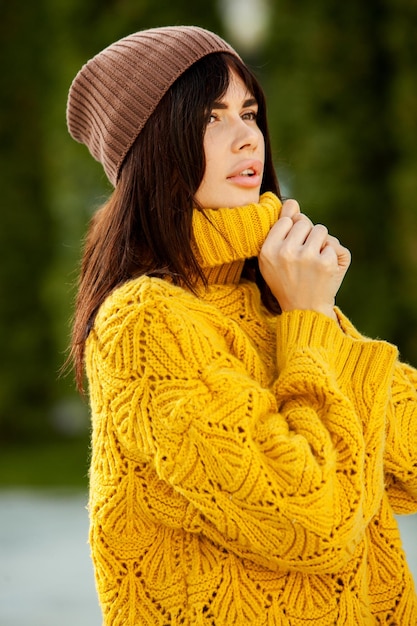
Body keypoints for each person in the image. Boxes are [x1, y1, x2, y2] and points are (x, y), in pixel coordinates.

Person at [66, 25, 417, 625]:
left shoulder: (272, 292)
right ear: (153, 148)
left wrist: (317, 314)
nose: (246, 138)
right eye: (210, 118)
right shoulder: (145, 323)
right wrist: (310, 319)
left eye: (248, 112)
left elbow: (403, 461)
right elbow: (314, 520)